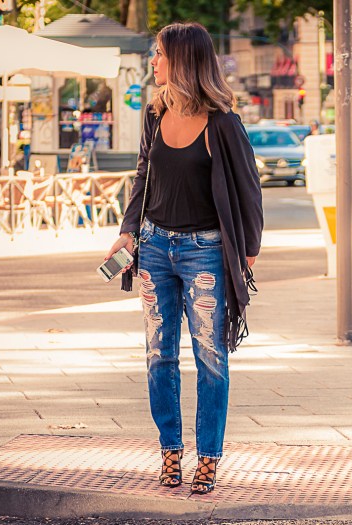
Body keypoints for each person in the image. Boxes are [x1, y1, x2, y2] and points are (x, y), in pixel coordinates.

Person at [104, 22, 263, 495]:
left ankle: (208, 458)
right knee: (159, 355)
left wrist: (247, 253)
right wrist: (126, 232)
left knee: (210, 357)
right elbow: (141, 179)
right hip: (153, 248)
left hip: (205, 252)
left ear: (183, 61)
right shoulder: (154, 116)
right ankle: (170, 452)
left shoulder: (222, 123)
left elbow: (249, 192)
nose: (153, 61)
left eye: (158, 54)